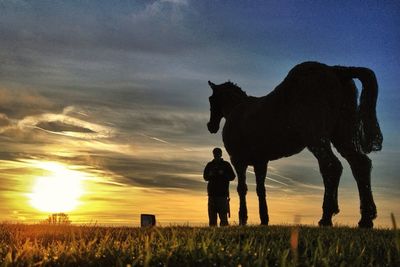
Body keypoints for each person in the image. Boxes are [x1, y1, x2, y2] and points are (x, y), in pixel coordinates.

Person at [203, 147, 236, 226]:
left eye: (218, 154)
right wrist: (210, 175)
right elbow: (205, 177)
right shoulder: (210, 165)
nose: (216, 155)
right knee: (212, 219)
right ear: (213, 154)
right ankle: (214, 235)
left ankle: (224, 235)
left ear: (221, 154)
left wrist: (223, 174)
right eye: (215, 154)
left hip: (222, 195)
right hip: (212, 195)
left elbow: (232, 177)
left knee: (223, 219)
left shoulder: (226, 165)